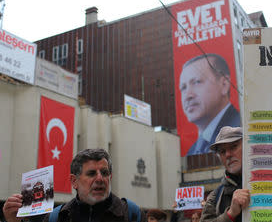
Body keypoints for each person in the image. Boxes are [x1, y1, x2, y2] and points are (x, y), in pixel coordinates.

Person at [2, 148, 146, 222]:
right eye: (91, 173)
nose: (100, 178)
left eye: (104, 172)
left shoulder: (132, 214)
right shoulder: (57, 218)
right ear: (74, 181)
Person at [179, 54, 241, 156]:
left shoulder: (241, 130)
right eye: (183, 88)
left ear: (224, 84)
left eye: (196, 82)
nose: (188, 95)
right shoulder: (192, 151)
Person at [200, 126, 250, 222]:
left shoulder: (270, 183)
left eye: (233, 146)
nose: (228, 155)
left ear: (247, 146)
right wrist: (230, 214)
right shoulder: (215, 197)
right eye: (222, 151)